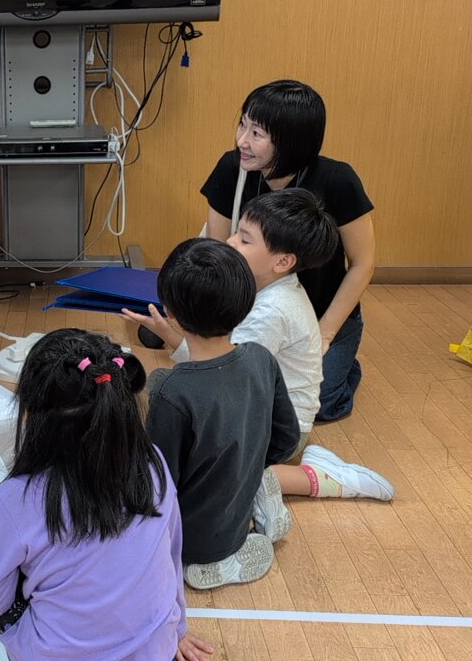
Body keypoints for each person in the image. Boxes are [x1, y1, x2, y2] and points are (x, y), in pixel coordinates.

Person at [128, 191, 394, 544]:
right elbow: (220, 365)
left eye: (244, 239)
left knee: (212, 473)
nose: (229, 242)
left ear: (282, 261)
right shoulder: (264, 289)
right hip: (263, 407)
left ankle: (322, 480)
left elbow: (221, 374)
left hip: (279, 427)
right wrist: (170, 336)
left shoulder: (270, 312)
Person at [0, 328, 214, 661]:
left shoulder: (16, 499)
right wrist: (176, 629)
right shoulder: (152, 463)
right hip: (155, 651)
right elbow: (172, 553)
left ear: (31, 415)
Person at [202, 80, 375, 422]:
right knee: (241, 387)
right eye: (242, 125)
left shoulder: (338, 180)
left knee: (317, 404)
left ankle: (344, 365)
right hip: (255, 309)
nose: (242, 141)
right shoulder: (232, 168)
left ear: (291, 142)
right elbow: (218, 252)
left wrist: (325, 334)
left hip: (318, 315)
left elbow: (363, 264)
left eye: (256, 133)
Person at [145, 238, 300, 589]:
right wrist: (250, 466)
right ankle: (258, 491)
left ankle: (220, 561)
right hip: (237, 504)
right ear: (247, 302)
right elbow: (287, 439)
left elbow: (157, 486)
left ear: (170, 312)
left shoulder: (171, 393)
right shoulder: (261, 358)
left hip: (195, 541)